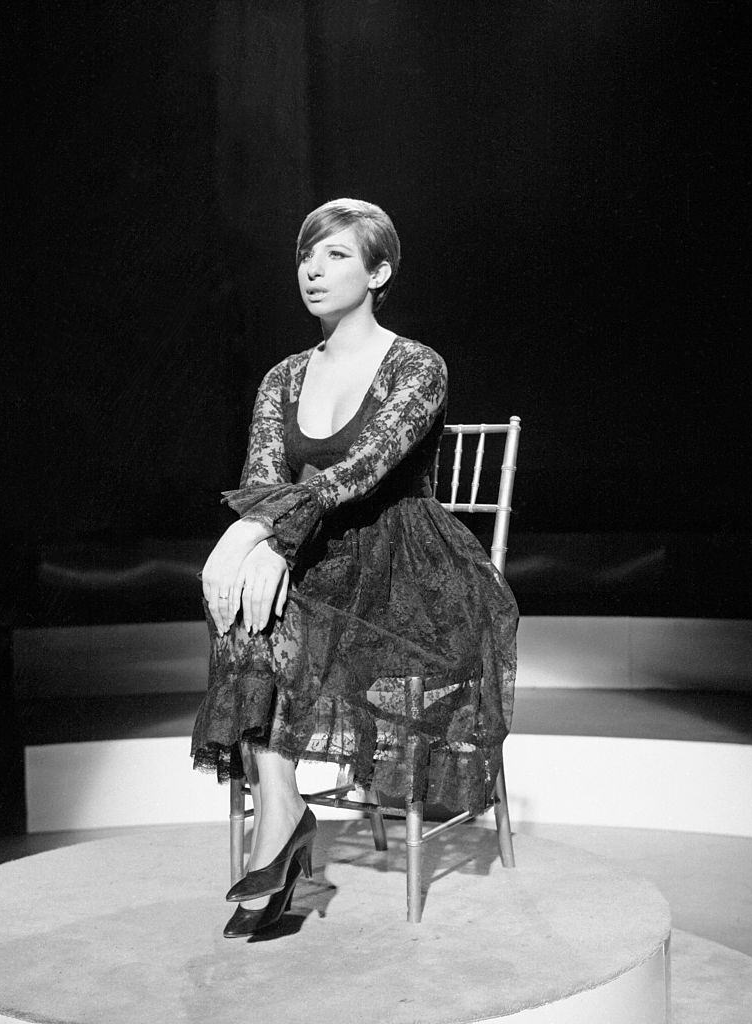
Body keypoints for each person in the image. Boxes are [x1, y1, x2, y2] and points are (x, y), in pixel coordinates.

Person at [192, 198, 518, 937]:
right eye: (307, 254)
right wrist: (252, 542)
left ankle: (280, 830)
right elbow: (264, 474)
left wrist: (264, 539)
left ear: (380, 271)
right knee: (246, 603)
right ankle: (284, 809)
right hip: (319, 558)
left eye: (336, 255)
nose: (313, 268)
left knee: (268, 599)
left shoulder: (418, 366)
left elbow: (361, 475)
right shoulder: (281, 378)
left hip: (408, 570)